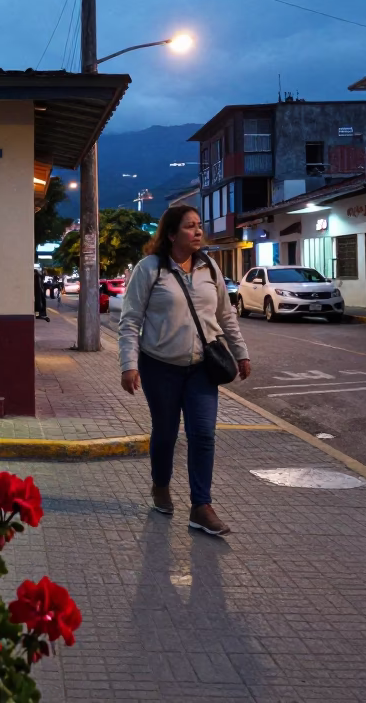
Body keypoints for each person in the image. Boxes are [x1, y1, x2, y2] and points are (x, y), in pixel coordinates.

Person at [117, 205, 251, 536]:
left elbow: (226, 314)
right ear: (172, 234)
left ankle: (201, 506)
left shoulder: (209, 267)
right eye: (190, 227)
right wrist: (128, 365)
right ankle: (160, 486)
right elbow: (130, 319)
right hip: (159, 365)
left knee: (203, 434)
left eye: (199, 225)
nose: (198, 231)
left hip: (202, 367)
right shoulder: (150, 269)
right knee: (165, 433)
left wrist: (241, 353)